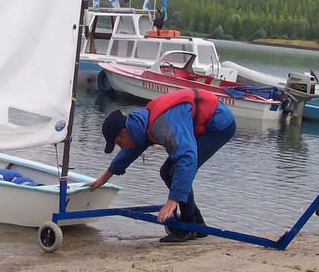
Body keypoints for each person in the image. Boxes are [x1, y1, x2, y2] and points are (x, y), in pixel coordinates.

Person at [87, 88, 236, 243]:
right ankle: (197, 223)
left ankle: (188, 227)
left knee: (174, 170)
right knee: (167, 172)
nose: (121, 147)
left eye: (119, 143)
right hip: (200, 122)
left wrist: (173, 200)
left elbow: (187, 158)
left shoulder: (162, 126)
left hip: (218, 125)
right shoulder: (140, 125)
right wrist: (103, 179)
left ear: (125, 132)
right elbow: (129, 152)